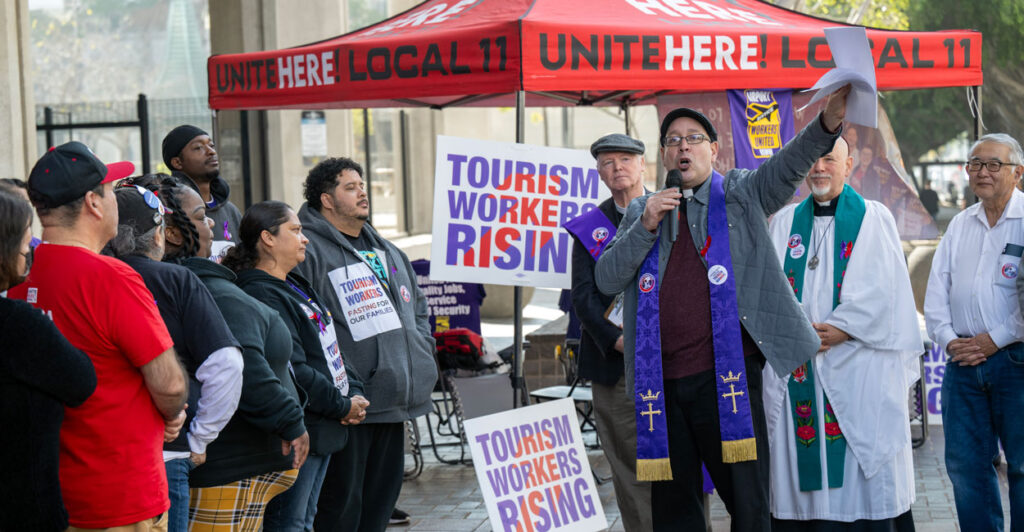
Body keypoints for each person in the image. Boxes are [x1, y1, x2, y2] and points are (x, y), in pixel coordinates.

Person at [594, 86, 850, 531]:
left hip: (727, 380)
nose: (683, 147)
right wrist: (647, 224)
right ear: (664, 156)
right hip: (661, 386)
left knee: (748, 505)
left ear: (713, 149)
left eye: (693, 138)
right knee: (677, 512)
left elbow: (788, 164)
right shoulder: (643, 209)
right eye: (673, 141)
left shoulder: (741, 192)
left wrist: (827, 124)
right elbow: (607, 279)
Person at [8, 141, 188, 530]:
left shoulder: (17, 278)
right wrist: (172, 414)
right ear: (93, 202)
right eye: (110, 189)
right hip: (120, 498)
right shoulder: (113, 277)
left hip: (48, 496)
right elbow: (170, 384)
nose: (115, 199)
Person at [130, 174, 311, 530]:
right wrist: (290, 420)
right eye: (199, 216)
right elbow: (236, 365)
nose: (211, 221)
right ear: (171, 232)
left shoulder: (202, 283)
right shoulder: (193, 286)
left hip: (233, 463)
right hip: (224, 468)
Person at [764, 137, 921, 529]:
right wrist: (799, 331)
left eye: (829, 160)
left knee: (860, 473)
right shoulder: (783, 223)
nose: (819, 168)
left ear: (848, 164)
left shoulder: (873, 217)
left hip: (857, 370)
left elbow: (888, 293)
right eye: (812, 160)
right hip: (799, 370)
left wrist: (841, 329)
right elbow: (767, 293)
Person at [294, 157, 438, 532]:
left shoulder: (390, 251)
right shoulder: (308, 252)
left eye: (362, 185)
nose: (362, 192)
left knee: (379, 506)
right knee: (341, 510)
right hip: (349, 406)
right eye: (350, 187)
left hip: (394, 400)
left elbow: (418, 309)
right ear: (327, 199)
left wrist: (421, 347)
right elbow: (303, 323)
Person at [105, 181, 245, 532]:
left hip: (100, 450)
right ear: (158, 236)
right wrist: (199, 438)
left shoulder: (94, 277)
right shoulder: (177, 279)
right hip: (166, 451)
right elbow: (227, 364)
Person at [226, 201, 369, 531]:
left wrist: (354, 391)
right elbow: (293, 367)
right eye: (295, 230)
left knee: (305, 521)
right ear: (268, 238)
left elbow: (329, 345)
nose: (304, 238)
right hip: (300, 429)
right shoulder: (260, 293)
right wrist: (341, 404)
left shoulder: (295, 283)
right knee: (289, 524)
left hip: (325, 426)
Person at [925, 133, 1024, 531]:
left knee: (1020, 466)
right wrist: (950, 340)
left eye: (993, 164)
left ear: (1018, 173)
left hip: (1015, 362)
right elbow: (935, 295)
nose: (983, 172)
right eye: (975, 164)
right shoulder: (960, 225)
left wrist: (992, 340)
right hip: (962, 367)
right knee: (966, 468)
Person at [565, 133, 652, 531]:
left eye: (624, 159)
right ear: (599, 173)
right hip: (614, 364)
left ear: (642, 164)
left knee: (681, 461)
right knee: (627, 463)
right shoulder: (589, 228)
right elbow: (582, 299)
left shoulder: (671, 209)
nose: (617, 168)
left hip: (672, 359)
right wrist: (617, 341)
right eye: (607, 162)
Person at [0, 189, 96, 531]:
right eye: (26, 242)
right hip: (21, 509)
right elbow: (81, 381)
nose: (31, 249)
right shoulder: (18, 323)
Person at [162, 125, 241, 260]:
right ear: (177, 162)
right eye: (198, 148)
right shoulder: (169, 210)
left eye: (212, 146)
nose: (211, 152)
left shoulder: (231, 211)